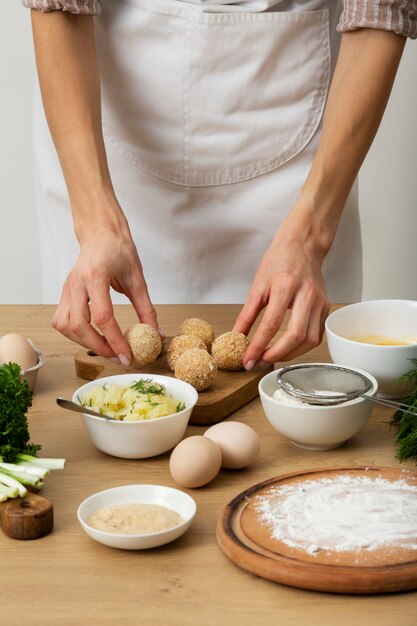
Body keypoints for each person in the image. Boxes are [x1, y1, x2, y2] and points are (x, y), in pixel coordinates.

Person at [23, 0, 415, 370]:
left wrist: (311, 236)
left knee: (301, 380)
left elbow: (381, 8)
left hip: (295, 126)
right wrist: (95, 226)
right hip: (106, 133)